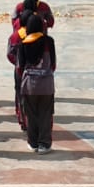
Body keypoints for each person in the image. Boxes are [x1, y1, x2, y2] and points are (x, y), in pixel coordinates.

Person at [14, 13, 57, 154]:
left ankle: (33, 143)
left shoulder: (22, 45)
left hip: (29, 85)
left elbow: (19, 68)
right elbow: (53, 64)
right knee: (45, 114)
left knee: (31, 115)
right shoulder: (49, 42)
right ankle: (44, 144)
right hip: (46, 85)